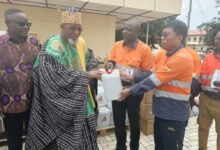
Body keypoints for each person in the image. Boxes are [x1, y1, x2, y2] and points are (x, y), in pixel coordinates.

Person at [25, 8, 103, 149]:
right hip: (60, 106)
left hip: (82, 99)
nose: (76, 33)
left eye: (79, 29)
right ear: (61, 27)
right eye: (71, 28)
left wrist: (94, 70)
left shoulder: (80, 42)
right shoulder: (54, 44)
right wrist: (86, 76)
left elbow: (90, 60)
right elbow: (51, 75)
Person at [119, 20, 193, 150]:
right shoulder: (164, 55)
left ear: (179, 37)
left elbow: (153, 80)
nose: (162, 38)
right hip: (161, 112)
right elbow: (149, 73)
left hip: (173, 114)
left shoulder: (181, 58)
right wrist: (131, 76)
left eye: (166, 35)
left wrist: (129, 91)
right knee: (159, 146)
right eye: (161, 35)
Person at [107, 19, 153, 150]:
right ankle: (120, 146)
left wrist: (132, 76)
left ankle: (134, 146)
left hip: (134, 91)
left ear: (137, 32)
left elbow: (149, 75)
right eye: (124, 28)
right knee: (118, 121)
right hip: (116, 88)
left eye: (128, 29)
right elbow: (110, 61)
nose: (124, 31)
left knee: (134, 122)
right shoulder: (116, 45)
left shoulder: (145, 50)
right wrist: (109, 64)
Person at [0, 8, 38, 150]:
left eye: (28, 24)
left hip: (33, 103)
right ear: (7, 23)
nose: (26, 27)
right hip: (9, 105)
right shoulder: (1, 44)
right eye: (21, 24)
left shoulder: (34, 43)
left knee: (34, 140)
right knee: (14, 143)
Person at [192, 30, 220, 150]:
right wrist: (192, 94)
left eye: (219, 39)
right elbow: (200, 77)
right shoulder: (208, 57)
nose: (217, 41)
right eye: (217, 38)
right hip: (205, 99)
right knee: (202, 128)